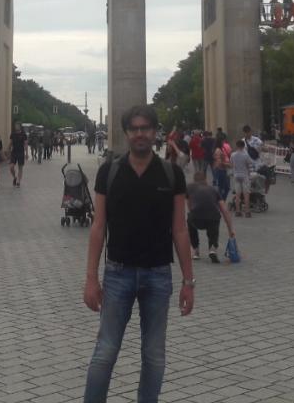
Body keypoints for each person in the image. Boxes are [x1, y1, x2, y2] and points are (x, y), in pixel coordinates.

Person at [83, 104, 194, 403]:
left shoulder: (172, 175)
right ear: (127, 134)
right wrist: (91, 278)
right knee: (105, 352)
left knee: (154, 356)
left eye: (146, 128)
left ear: (155, 132)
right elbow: (98, 226)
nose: (140, 134)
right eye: (134, 129)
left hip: (159, 275)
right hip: (118, 274)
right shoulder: (110, 171)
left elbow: (180, 230)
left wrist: (189, 281)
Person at [186, 170, 236, 262]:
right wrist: (231, 230)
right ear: (205, 180)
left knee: (190, 220)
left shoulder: (189, 187)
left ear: (194, 180)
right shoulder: (213, 190)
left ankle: (195, 249)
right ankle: (212, 248)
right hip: (212, 218)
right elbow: (224, 210)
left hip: (196, 218)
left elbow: (188, 204)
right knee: (214, 224)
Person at [230, 139, 256, 216]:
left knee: (237, 194)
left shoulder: (233, 155)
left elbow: (231, 164)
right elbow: (250, 164)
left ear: (236, 146)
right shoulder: (246, 155)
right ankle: (247, 211)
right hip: (245, 175)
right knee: (246, 194)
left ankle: (238, 211)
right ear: (244, 146)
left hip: (236, 175)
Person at [212, 133, 231, 201]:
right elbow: (219, 162)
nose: (224, 142)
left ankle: (221, 202)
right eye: (223, 141)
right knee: (223, 188)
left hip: (221, 170)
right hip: (220, 170)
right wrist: (227, 164)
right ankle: (221, 202)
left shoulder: (219, 149)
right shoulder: (218, 150)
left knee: (224, 188)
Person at [8, 122, 27, 188]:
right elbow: (10, 143)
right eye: (15, 126)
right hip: (14, 152)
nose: (16, 127)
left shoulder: (23, 134)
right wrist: (8, 150)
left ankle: (18, 181)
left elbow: (25, 144)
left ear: (20, 126)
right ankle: (15, 177)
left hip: (21, 152)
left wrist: (26, 153)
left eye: (17, 126)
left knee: (20, 168)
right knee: (11, 167)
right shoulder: (12, 134)